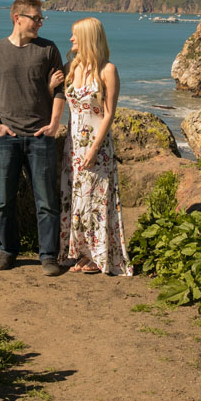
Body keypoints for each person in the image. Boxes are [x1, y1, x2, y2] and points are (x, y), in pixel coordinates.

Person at [0, 0, 66, 276]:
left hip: (41, 136)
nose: (40, 23)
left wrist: (54, 125)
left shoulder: (49, 49)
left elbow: (60, 90)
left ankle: (48, 256)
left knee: (46, 201)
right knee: (4, 201)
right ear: (18, 18)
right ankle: (7, 251)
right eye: (36, 18)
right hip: (6, 138)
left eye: (42, 19)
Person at [52, 17, 133, 275]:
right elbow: (59, 99)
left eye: (75, 35)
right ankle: (78, 251)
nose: (71, 39)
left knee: (95, 200)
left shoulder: (107, 70)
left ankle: (97, 256)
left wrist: (94, 148)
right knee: (74, 198)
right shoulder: (71, 67)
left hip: (96, 146)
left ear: (87, 38)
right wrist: (50, 86)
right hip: (73, 144)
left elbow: (109, 113)